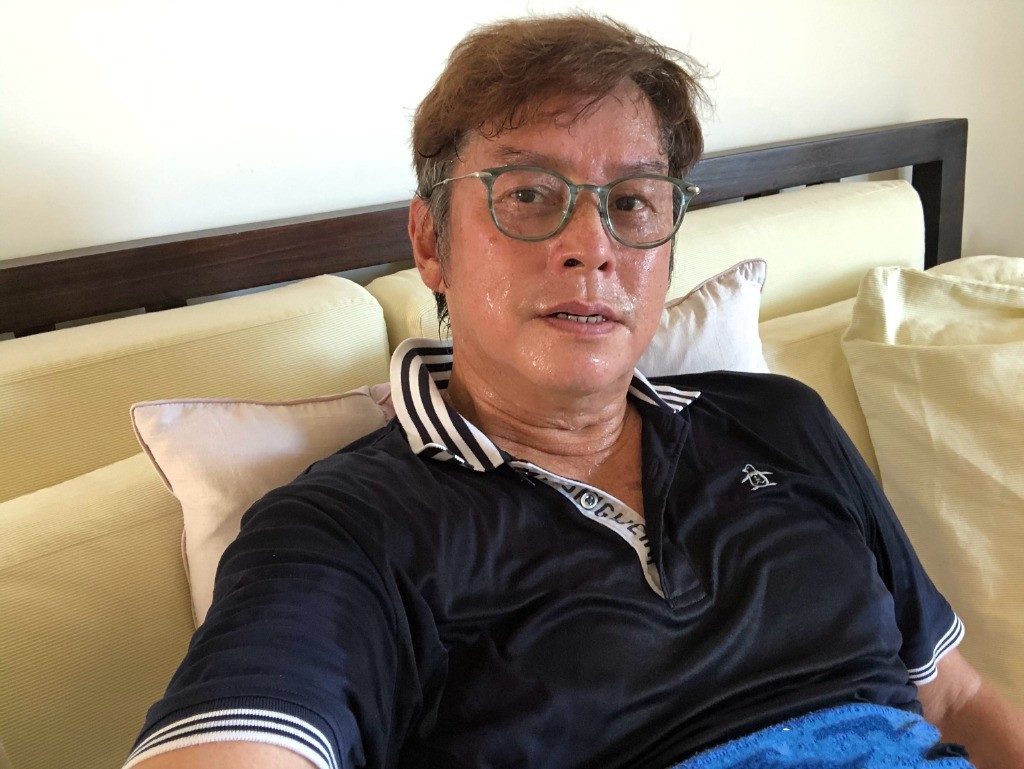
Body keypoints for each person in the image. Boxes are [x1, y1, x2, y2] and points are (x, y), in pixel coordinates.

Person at [125, 14, 1024, 769]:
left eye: (632, 202)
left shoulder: (779, 419)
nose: (591, 246)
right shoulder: (345, 528)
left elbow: (951, 694)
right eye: (527, 194)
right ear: (432, 244)